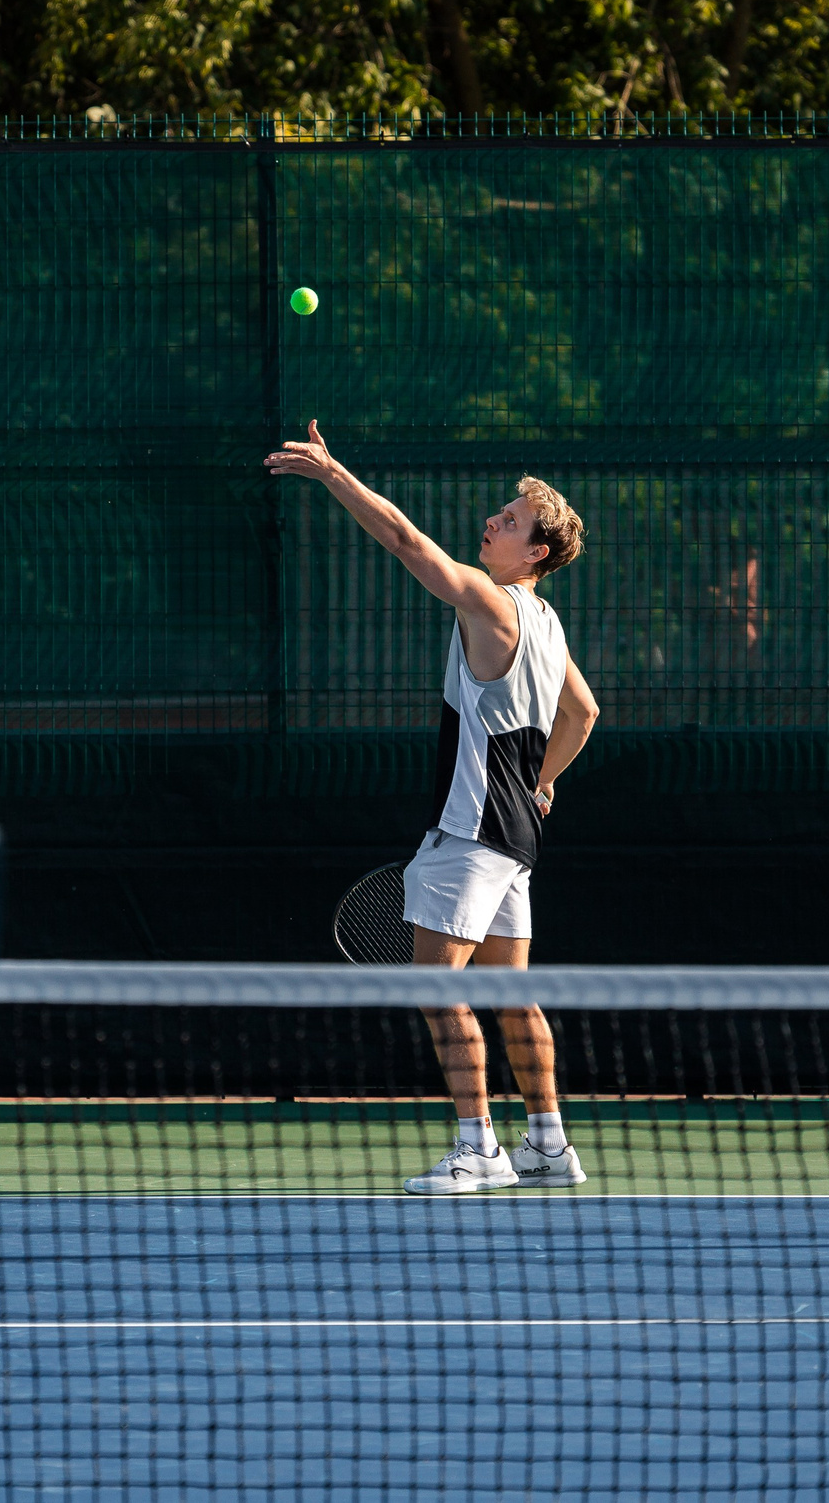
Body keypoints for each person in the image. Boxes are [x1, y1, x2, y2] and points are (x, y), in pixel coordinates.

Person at [264, 421, 599, 1195]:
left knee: (438, 987)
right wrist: (542, 782)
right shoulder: (548, 625)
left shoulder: (492, 602)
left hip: (469, 829)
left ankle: (478, 1147)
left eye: (510, 521)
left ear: (536, 552)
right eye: (500, 513)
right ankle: (548, 1143)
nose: (492, 521)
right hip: (515, 838)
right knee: (512, 994)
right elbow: (583, 714)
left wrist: (333, 475)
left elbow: (407, 542)